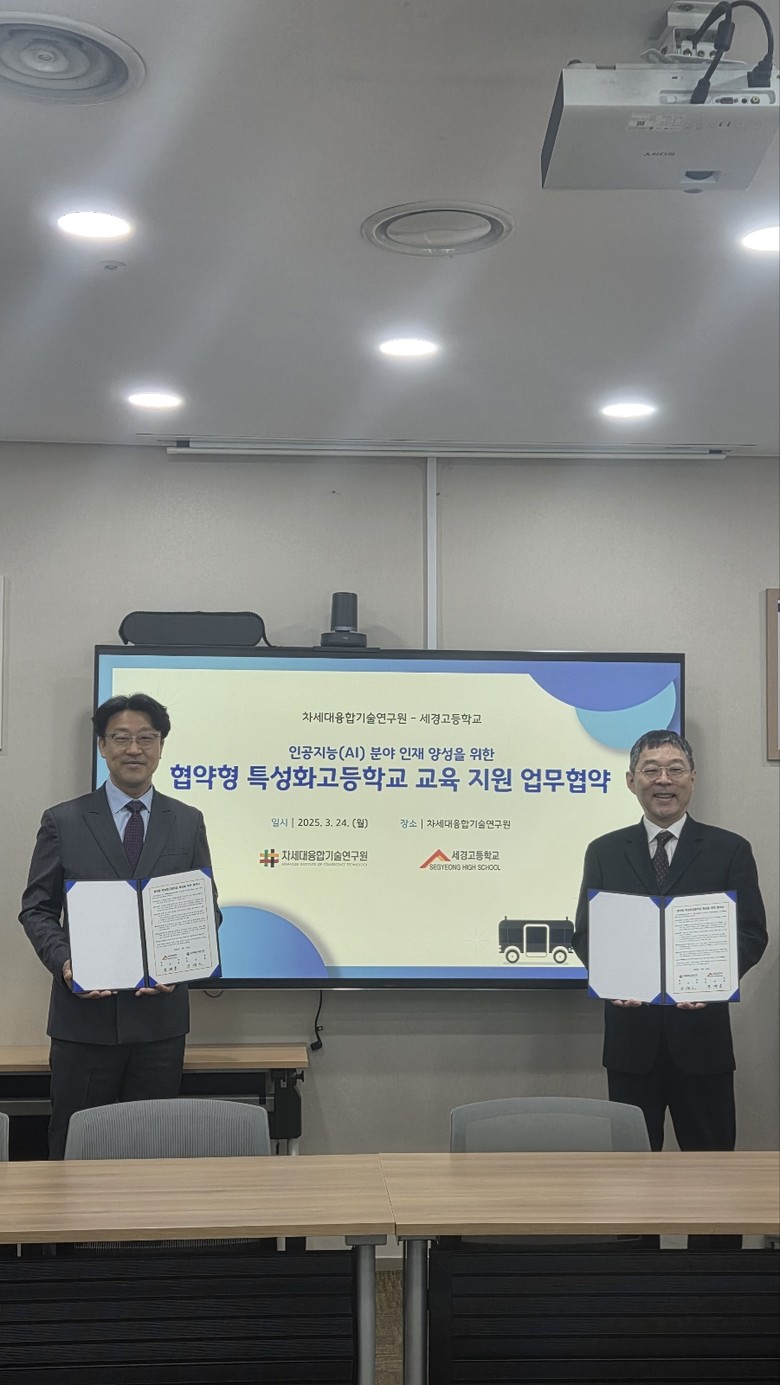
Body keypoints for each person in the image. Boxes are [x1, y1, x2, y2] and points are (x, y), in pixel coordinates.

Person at [573, 729, 767, 1247]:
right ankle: (636, 1285)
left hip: (702, 1042)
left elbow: (751, 934)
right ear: (631, 780)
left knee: (713, 1179)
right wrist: (612, 977)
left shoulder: (729, 849)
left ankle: (716, 1283)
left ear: (693, 779)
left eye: (675, 769)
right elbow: (587, 934)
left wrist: (717, 979)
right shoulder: (604, 851)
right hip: (630, 1042)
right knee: (631, 1180)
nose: (664, 780)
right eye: (652, 769)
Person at [20, 692, 220, 1158]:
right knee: (76, 1148)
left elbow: (205, 908)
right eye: (121, 738)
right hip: (83, 1024)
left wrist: (180, 965)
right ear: (102, 746)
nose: (134, 749)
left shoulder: (187, 821)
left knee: (150, 1151)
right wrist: (65, 963)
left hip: (160, 1026)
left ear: (161, 746)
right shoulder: (63, 820)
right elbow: (37, 908)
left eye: (146, 738)